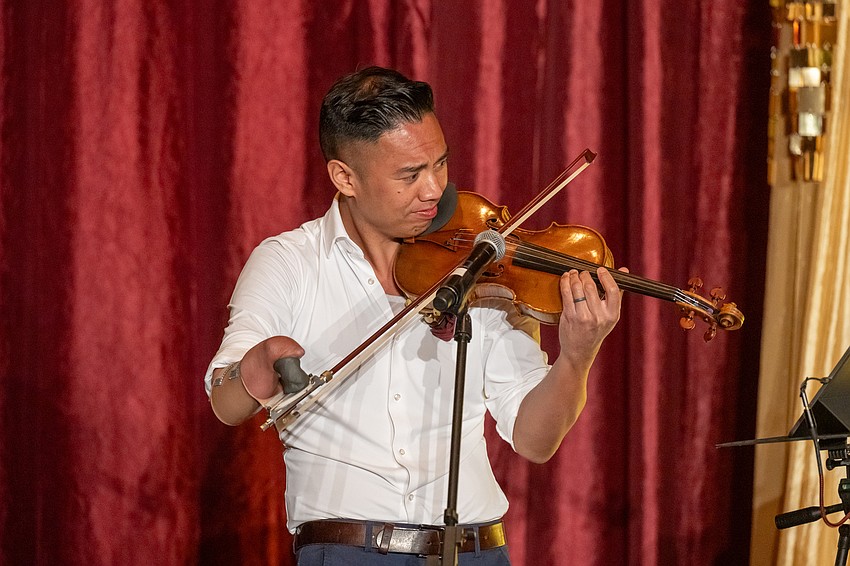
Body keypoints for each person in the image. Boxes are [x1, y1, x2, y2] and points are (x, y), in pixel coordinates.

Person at [205, 66, 623, 565]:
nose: (434, 190)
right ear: (345, 177)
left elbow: (535, 440)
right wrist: (255, 369)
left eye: (440, 164)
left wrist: (577, 355)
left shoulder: (479, 262)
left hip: (475, 551)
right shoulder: (289, 262)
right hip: (349, 553)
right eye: (410, 175)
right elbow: (226, 402)